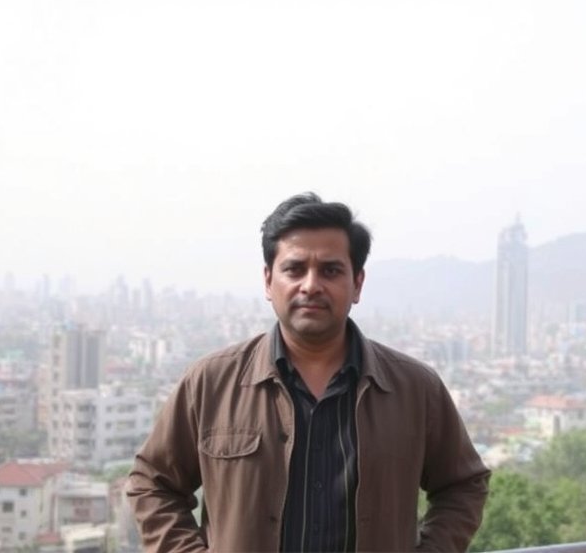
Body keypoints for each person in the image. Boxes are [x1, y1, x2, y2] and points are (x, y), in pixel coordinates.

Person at [127, 192, 490, 552]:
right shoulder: (211, 383)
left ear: (357, 284)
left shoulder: (414, 388)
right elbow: (152, 484)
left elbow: (464, 484)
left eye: (330, 270)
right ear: (269, 281)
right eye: (295, 269)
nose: (311, 285)